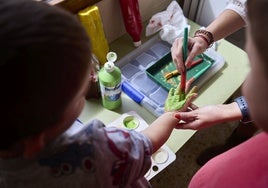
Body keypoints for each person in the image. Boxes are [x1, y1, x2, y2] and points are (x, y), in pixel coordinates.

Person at [0, 0, 197, 187]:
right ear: (36, 138)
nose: (92, 81)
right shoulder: (94, 151)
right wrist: (171, 115)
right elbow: (146, 144)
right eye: (80, 95)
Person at [173, 0, 268, 187]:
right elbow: (244, 6)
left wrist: (230, 110)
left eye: (255, 68)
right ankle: (234, 143)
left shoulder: (214, 180)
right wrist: (205, 37)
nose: (245, 84)